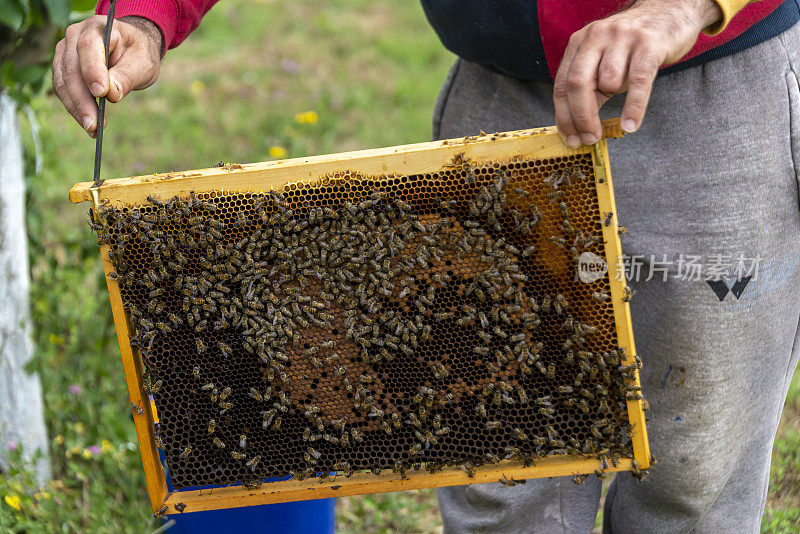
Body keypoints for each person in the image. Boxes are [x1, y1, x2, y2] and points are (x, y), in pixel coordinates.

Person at [53, 0, 800, 532]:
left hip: (709, 91)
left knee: (692, 483)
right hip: (500, 94)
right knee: (502, 482)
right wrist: (150, 10)